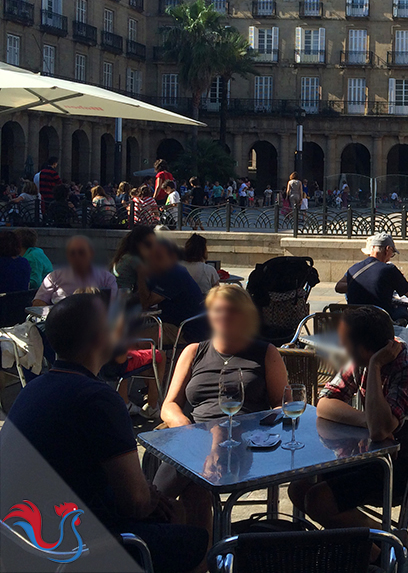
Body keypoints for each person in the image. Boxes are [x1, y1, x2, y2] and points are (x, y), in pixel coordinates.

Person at [2, 294, 208, 573]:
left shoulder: (33, 390)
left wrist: (147, 497)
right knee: (193, 538)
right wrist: (153, 497)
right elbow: (135, 502)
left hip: (22, 539)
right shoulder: (98, 398)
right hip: (69, 549)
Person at [288, 306, 408, 540]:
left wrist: (375, 366)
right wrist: (365, 420)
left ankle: (384, 547)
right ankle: (376, 543)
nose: (342, 350)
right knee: (299, 487)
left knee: (320, 500)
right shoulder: (362, 355)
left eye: (346, 344)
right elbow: (325, 403)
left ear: (366, 349)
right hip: (376, 457)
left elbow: (380, 430)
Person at [157, 284, 288, 536]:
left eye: (232, 311)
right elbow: (169, 405)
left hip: (244, 439)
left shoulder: (264, 352)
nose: (224, 317)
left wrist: (253, 430)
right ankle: (195, 548)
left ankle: (151, 515)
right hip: (194, 434)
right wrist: (189, 430)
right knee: (194, 484)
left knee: (187, 484)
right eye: (218, 310)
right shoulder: (193, 351)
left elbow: (282, 405)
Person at [336, 233, 408, 321]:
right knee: (403, 312)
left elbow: (338, 287)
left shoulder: (354, 268)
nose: (390, 258)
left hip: (354, 323)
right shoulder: (389, 269)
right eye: (392, 254)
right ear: (387, 249)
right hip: (379, 322)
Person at [139, 238, 206, 339]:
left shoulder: (172, 273)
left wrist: (140, 277)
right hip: (180, 324)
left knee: (131, 340)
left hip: (183, 330)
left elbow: (147, 302)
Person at [33, 235, 118, 305]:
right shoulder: (54, 277)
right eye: (72, 253)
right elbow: (38, 302)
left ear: (91, 254)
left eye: (81, 252)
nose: (77, 257)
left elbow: (114, 304)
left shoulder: (107, 278)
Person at [110, 225, 156, 292]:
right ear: (139, 245)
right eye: (149, 245)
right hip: (122, 298)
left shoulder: (125, 256)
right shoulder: (134, 260)